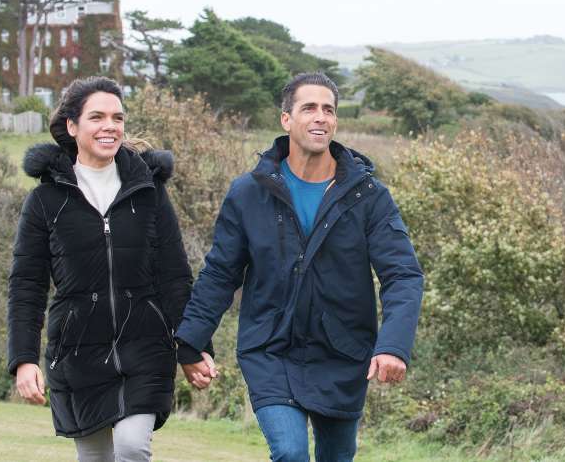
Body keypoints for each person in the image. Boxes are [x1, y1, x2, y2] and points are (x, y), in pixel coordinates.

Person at [176, 72, 424, 462]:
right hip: (269, 348)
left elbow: (402, 275)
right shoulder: (248, 193)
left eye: (329, 109)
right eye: (309, 108)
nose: (320, 117)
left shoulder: (369, 196)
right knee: (290, 452)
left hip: (343, 351)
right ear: (286, 119)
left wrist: (393, 345)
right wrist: (191, 342)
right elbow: (221, 273)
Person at [7, 76, 201, 462]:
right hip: (77, 352)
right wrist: (24, 359)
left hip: (146, 347)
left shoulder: (149, 192)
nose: (109, 126)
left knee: (131, 446)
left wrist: (193, 346)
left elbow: (175, 276)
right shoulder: (45, 201)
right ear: (72, 126)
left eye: (117, 117)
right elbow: (27, 285)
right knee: (95, 457)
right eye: (97, 117)